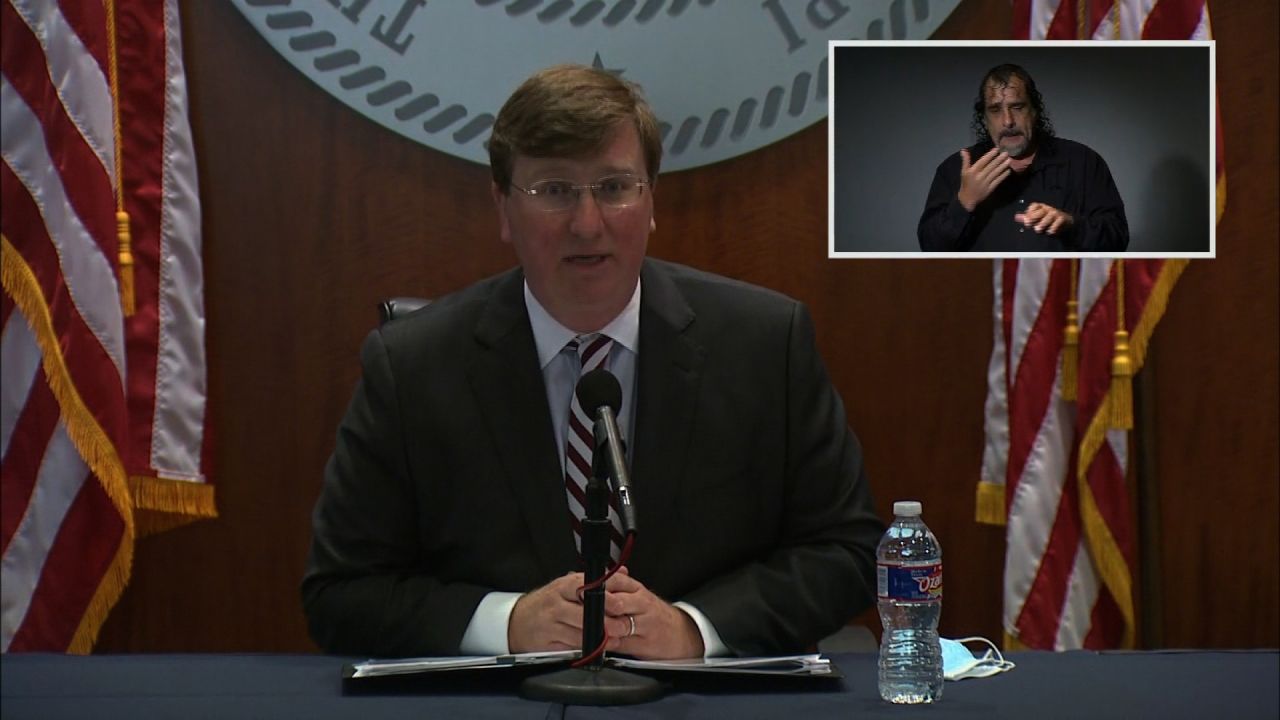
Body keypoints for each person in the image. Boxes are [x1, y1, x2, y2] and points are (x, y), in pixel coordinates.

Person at [301, 64, 883, 660]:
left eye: (613, 187)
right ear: (503, 208)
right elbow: (340, 592)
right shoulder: (413, 367)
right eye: (554, 191)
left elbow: (849, 549)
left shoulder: (764, 346)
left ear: (651, 199)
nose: (587, 223)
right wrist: (506, 624)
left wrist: (696, 629)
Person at [917, 63, 1129, 251]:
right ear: (984, 118)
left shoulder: (1083, 162)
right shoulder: (954, 170)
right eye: (995, 110)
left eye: (1017, 107)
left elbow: (1117, 239)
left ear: (1035, 111)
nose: (1008, 121)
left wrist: (1071, 224)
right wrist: (964, 202)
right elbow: (930, 247)